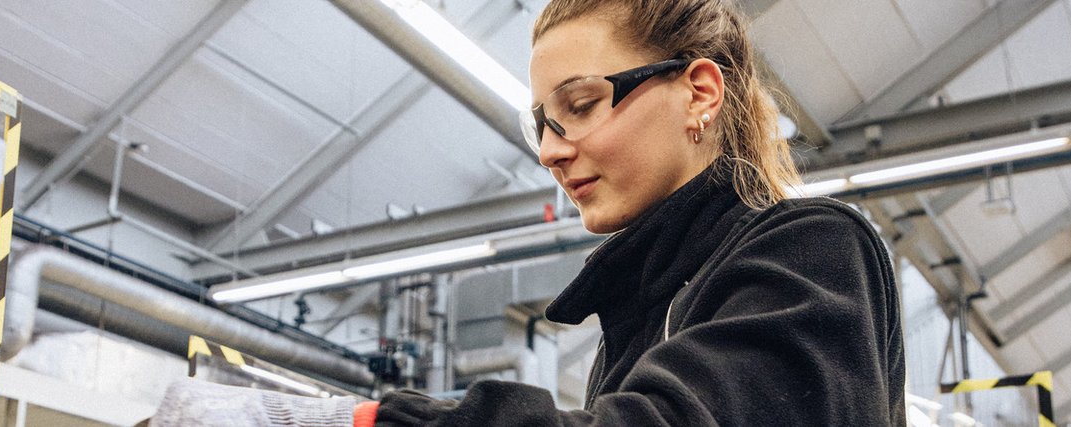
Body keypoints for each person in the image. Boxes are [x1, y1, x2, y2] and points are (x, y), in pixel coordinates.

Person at [152, 0, 904, 425]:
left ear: (699, 93)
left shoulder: (814, 251)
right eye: (542, 122)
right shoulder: (641, 316)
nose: (549, 150)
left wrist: (362, 421)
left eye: (581, 105)